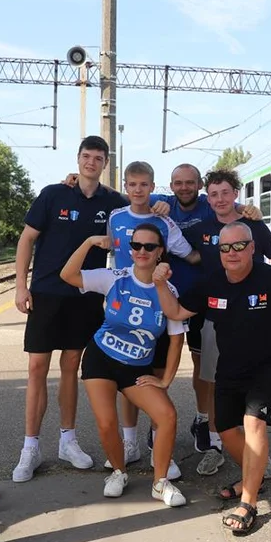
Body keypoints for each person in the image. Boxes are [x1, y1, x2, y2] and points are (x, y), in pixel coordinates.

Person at [153, 224, 271, 534]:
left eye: (239, 246)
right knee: (224, 428)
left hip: (268, 365)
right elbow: (177, 312)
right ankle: (254, 479)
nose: (232, 253)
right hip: (230, 366)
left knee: (253, 422)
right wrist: (159, 283)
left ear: (252, 248)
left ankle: (248, 502)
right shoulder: (212, 282)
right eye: (225, 248)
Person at [11, 135, 127, 483]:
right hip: (46, 292)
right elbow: (27, 239)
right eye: (86, 156)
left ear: (105, 164)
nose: (91, 162)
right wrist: (21, 285)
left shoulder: (113, 203)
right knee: (36, 367)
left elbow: (140, 204)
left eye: (98, 158)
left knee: (71, 367)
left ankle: (68, 440)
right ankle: (30, 447)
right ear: (78, 159)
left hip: (85, 294)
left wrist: (160, 205)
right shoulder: (53, 194)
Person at [60, 223, 188, 507]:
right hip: (101, 359)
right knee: (107, 423)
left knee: (167, 415)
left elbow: (176, 340)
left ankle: (160, 483)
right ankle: (119, 472)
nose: (141, 251)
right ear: (130, 250)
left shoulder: (168, 290)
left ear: (160, 252)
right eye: (136, 245)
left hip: (137, 368)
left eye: (149, 246)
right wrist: (89, 242)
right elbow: (68, 275)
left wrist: (165, 380)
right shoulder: (114, 277)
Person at [149, 164, 263, 472]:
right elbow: (131, 193)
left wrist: (248, 209)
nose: (184, 187)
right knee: (164, 365)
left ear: (199, 185)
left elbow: (230, 209)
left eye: (190, 182)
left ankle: (207, 423)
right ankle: (160, 423)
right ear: (170, 185)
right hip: (172, 297)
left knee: (209, 368)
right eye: (178, 183)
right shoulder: (163, 202)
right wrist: (79, 180)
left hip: (207, 301)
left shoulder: (208, 203)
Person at [184, 169, 271, 478]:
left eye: (225, 193)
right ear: (207, 198)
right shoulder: (201, 229)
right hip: (216, 319)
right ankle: (215, 445)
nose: (220, 199)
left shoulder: (253, 226)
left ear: (236, 194)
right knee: (215, 382)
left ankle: (256, 453)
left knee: (256, 389)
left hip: (257, 320)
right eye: (213, 194)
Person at [102, 161, 200, 479]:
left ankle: (161, 450)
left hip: (156, 309)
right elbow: (111, 253)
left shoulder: (164, 221)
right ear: (125, 186)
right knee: (126, 382)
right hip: (123, 310)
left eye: (144, 184)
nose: (138, 190)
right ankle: (130, 444)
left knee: (155, 380)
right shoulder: (116, 217)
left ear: (152, 187)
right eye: (132, 184)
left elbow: (191, 254)